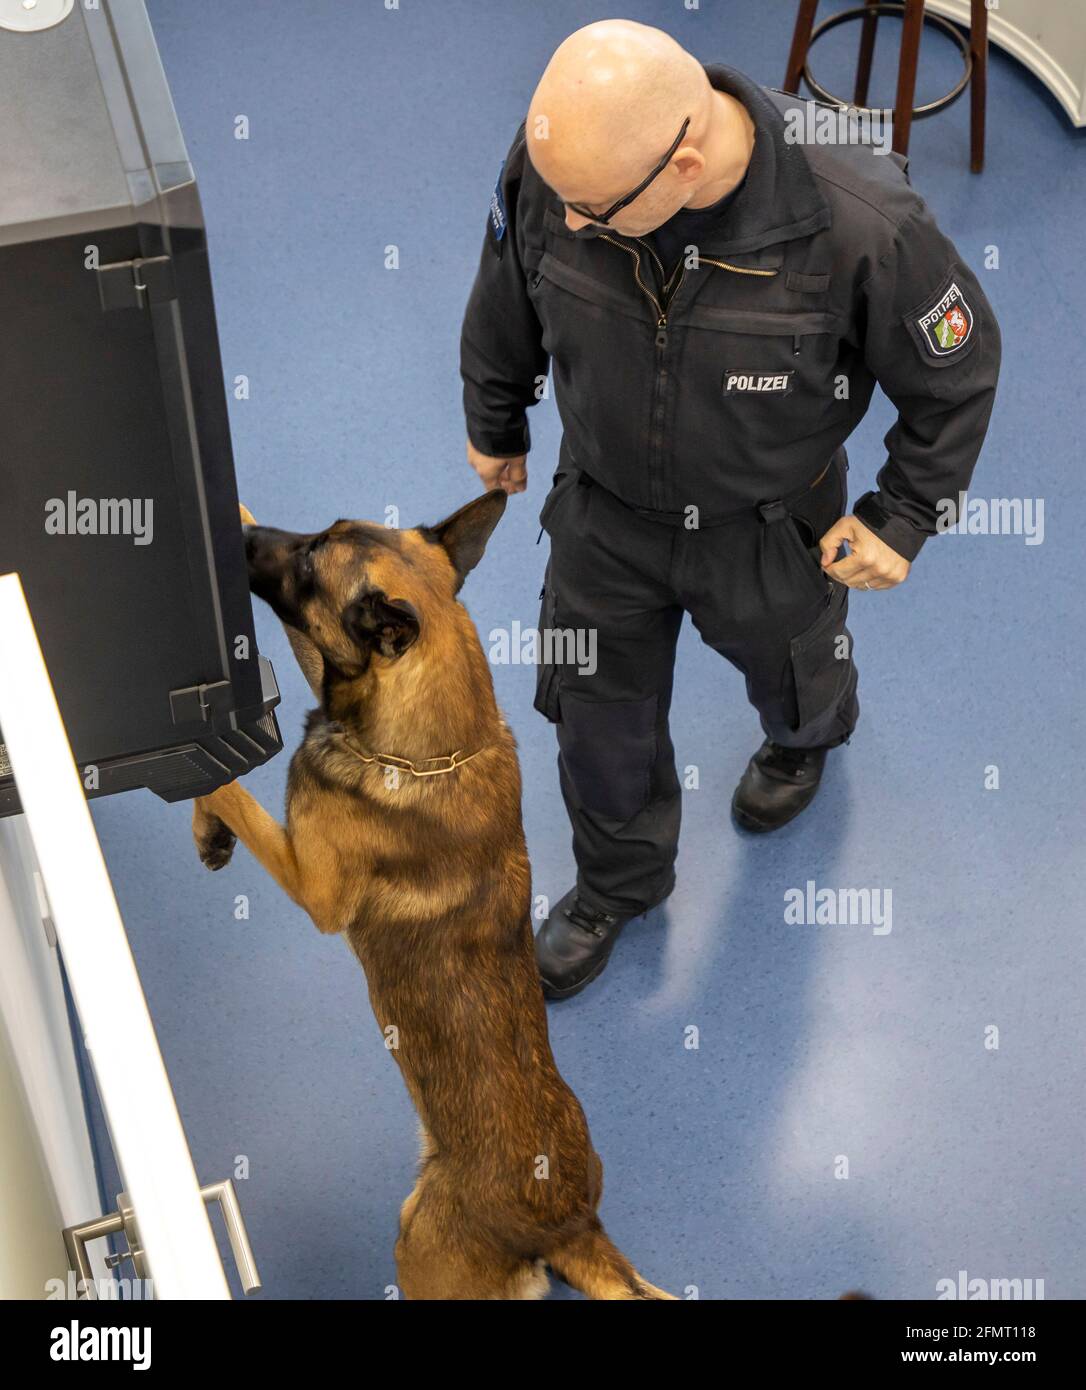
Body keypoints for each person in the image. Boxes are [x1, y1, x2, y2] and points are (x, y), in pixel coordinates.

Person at [459, 20, 1001, 999]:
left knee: (793, 663)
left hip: (769, 524)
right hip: (606, 513)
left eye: (594, 212)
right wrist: (495, 417)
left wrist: (904, 515)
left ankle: (806, 743)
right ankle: (615, 882)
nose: (571, 224)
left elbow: (956, 376)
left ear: (686, 164)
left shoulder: (859, 220)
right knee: (594, 715)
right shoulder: (571, 168)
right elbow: (506, 289)